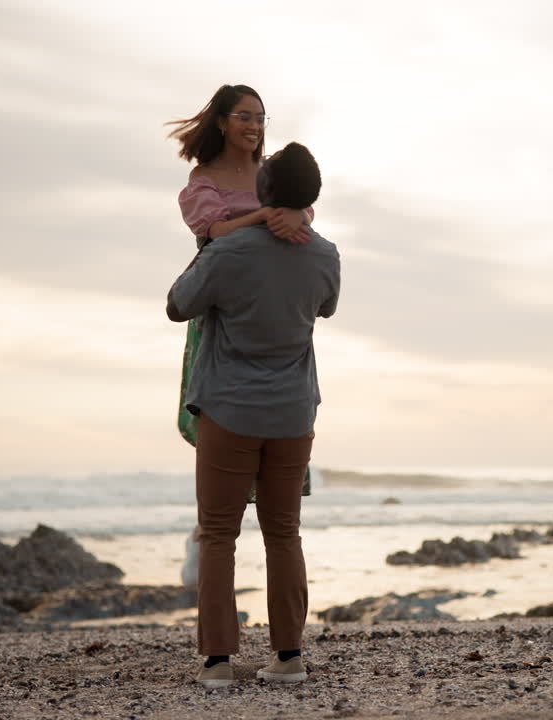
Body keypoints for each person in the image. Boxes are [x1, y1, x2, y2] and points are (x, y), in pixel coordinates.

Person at [165, 142, 340, 690]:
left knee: (218, 534)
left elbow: (177, 304)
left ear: (263, 195)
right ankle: (288, 657)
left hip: (229, 409)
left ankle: (218, 663)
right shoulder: (326, 255)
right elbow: (326, 306)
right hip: (292, 414)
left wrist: (219, 236)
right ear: (311, 198)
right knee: (284, 534)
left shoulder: (230, 251)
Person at [166, 83, 315, 500]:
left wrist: (295, 215)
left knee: (281, 389)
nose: (254, 125)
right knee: (226, 403)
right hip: (222, 296)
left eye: (260, 117)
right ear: (221, 121)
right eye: (244, 116)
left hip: (276, 295)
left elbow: (304, 207)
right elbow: (213, 231)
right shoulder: (204, 177)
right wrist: (268, 215)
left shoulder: (271, 172)